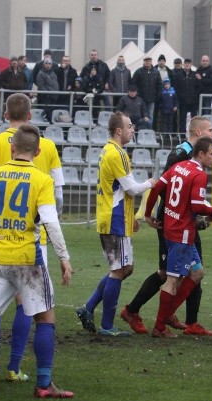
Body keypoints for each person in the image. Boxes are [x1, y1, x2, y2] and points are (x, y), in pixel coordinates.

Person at [0, 124, 73, 399]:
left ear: (11, 147)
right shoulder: (42, 181)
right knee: (45, 318)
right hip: (27, 259)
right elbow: (51, 223)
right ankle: (43, 383)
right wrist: (64, 258)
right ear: (38, 150)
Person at [0, 93, 65, 381]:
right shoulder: (48, 145)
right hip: (34, 236)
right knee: (27, 303)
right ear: (30, 116)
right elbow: (58, 191)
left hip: (0, 232)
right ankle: (14, 366)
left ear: (5, 115)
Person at [121, 117, 212, 336]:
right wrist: (207, 211)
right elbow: (167, 188)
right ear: (199, 133)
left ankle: (187, 320)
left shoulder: (188, 158)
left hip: (182, 222)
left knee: (194, 271)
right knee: (168, 274)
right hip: (175, 223)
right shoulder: (181, 156)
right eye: (211, 130)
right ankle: (138, 312)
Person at [75, 112, 155, 337]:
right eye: (129, 126)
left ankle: (88, 308)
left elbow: (119, 190)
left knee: (123, 269)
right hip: (113, 219)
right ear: (118, 130)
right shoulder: (115, 153)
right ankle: (106, 325)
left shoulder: (110, 151)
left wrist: (131, 219)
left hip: (115, 217)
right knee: (119, 270)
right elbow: (131, 189)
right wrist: (150, 183)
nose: (133, 130)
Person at [143, 137, 212, 338]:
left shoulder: (179, 166)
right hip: (181, 234)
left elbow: (157, 187)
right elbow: (196, 205)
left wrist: (148, 213)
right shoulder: (199, 175)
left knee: (197, 273)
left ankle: (167, 314)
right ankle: (159, 327)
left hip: (172, 228)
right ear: (201, 154)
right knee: (172, 279)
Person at [133, 56, 162, 125]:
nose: (148, 62)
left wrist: (157, 95)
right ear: (144, 62)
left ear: (151, 62)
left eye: (149, 61)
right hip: (140, 98)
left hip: (152, 99)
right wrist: (137, 95)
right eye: (146, 61)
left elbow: (159, 84)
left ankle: (149, 132)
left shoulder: (156, 71)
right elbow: (134, 84)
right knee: (140, 115)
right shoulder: (138, 71)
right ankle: (139, 131)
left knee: (150, 115)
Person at [174, 58, 199, 133]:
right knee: (182, 119)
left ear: (191, 65)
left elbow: (198, 87)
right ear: (183, 64)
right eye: (186, 63)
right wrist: (181, 97)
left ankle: (194, 134)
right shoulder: (178, 75)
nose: (187, 65)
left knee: (194, 120)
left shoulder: (195, 75)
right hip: (183, 101)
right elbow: (176, 87)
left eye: (189, 63)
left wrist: (194, 96)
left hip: (193, 101)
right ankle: (182, 135)